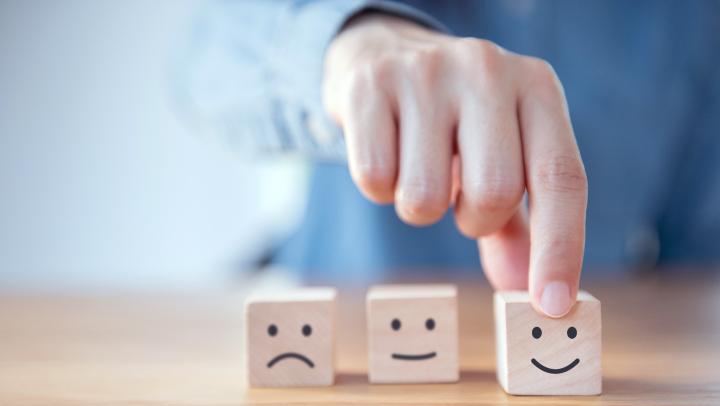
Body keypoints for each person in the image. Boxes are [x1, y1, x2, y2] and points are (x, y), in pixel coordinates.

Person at [173, 0, 720, 318]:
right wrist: (347, 39)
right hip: (338, 347)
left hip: (582, 383)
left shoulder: (690, 18)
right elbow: (201, 60)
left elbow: (698, 261)